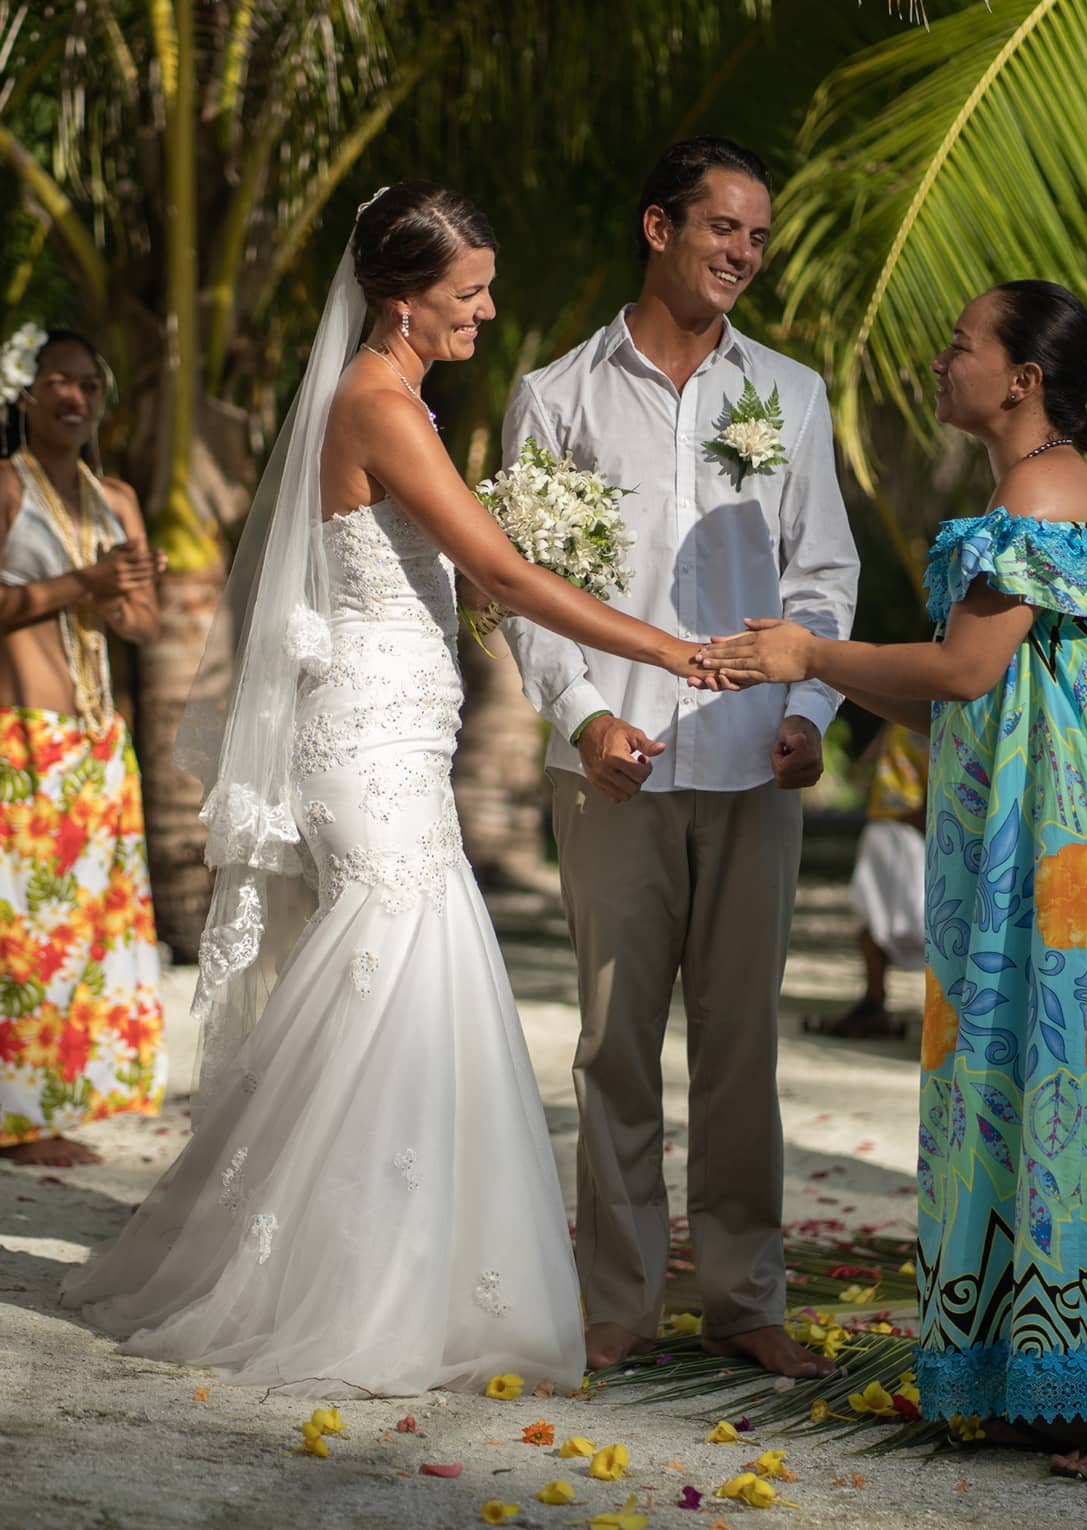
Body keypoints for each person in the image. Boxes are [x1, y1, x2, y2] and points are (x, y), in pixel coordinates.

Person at [61, 181, 725, 1397]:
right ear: (400, 298)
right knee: (392, 988)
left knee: (388, 992)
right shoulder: (381, 406)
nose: (484, 311)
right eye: (466, 294)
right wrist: (670, 650)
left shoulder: (388, 397)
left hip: (393, 736)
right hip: (367, 747)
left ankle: (372, 1263)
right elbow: (507, 583)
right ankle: (342, 1287)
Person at [702, 280, 1087, 1480]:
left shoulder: (1040, 492)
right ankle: (1045, 1374)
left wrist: (807, 652)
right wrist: (815, 699)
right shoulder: (1025, 491)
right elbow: (961, 688)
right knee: (1031, 1080)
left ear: (1024, 379)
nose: (942, 363)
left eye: (960, 347)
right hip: (1054, 849)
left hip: (1085, 862)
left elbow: (964, 667)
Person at [502, 136, 859, 1378]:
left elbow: (826, 572)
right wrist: (583, 716)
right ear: (658, 228)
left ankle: (746, 1295)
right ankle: (619, 1302)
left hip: (756, 764)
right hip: (615, 762)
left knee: (742, 1041)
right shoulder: (555, 392)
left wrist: (813, 712)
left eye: (758, 238)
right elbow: (524, 589)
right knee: (612, 1042)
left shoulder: (794, 395)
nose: (744, 256)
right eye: (724, 230)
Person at [0, 327, 166, 1169]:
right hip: (20, 738)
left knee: (86, 932)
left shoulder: (119, 498)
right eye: (57, 383)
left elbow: (141, 624)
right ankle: (22, 1122)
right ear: (24, 395)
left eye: (88, 387)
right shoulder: (5, 489)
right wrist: (81, 585)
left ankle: (53, 1102)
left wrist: (130, 587)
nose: (74, 399)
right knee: (26, 932)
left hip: (99, 742)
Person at [806, 722, 928, 1039]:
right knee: (872, 919)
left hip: (905, 824)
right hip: (894, 824)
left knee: (913, 921)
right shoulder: (913, 708)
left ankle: (879, 1004)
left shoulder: (929, 706)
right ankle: (873, 1004)